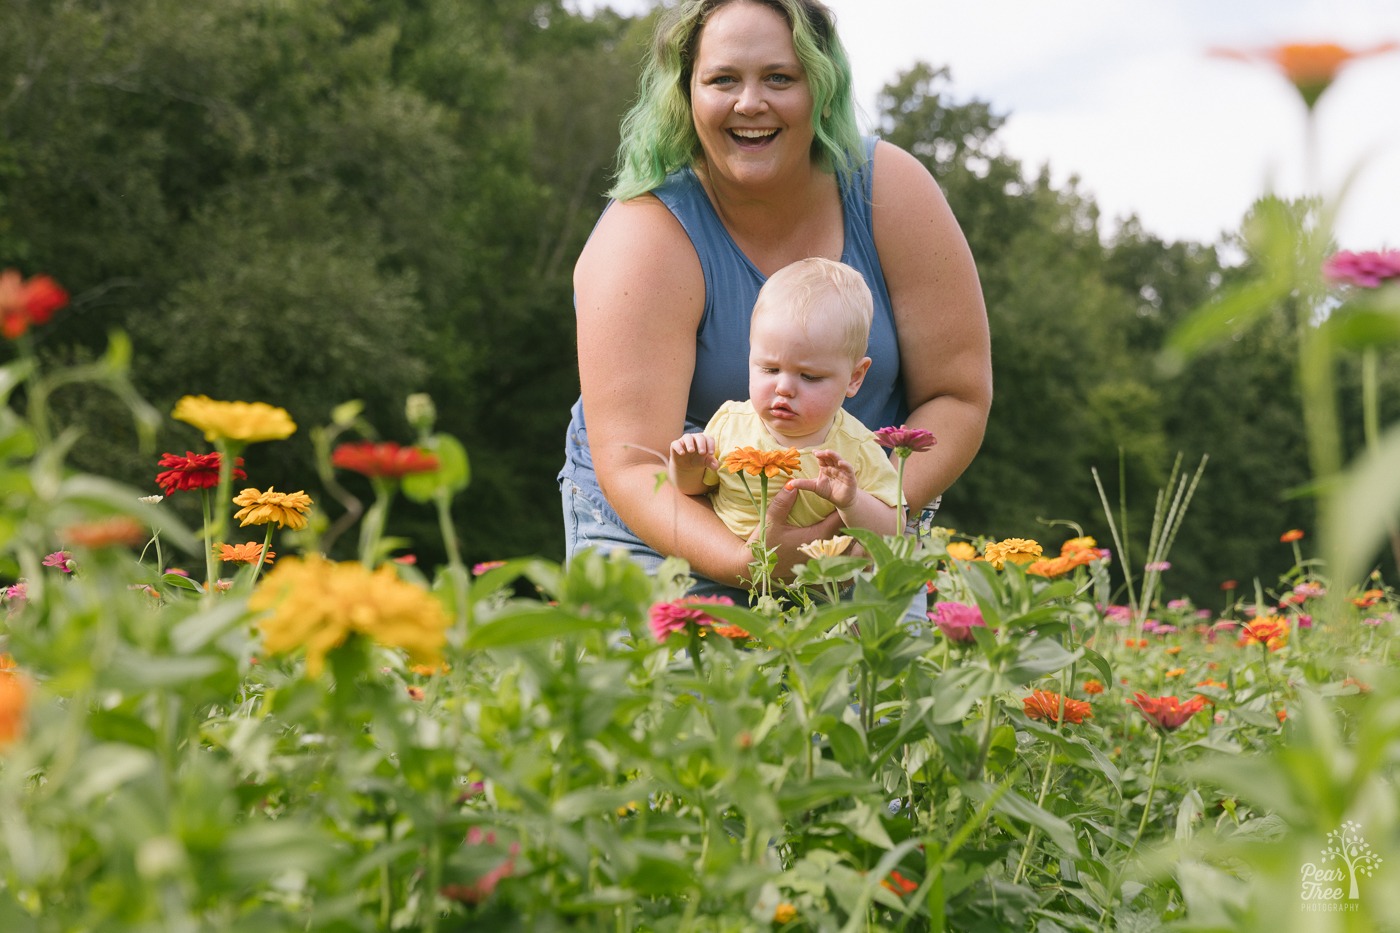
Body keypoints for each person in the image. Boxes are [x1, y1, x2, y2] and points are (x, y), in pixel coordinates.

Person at [560, 0, 992, 597]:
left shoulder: (891, 193)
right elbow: (636, 465)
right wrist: (759, 565)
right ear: (686, 92)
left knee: (875, 690)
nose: (749, 103)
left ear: (821, 85)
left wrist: (862, 518)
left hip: (856, 518)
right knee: (681, 686)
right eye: (722, 80)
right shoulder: (642, 235)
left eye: (779, 78)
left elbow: (958, 395)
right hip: (665, 516)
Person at [668, 257, 901, 540]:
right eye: (770, 369)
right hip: (724, 570)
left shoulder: (857, 449)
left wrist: (851, 502)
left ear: (854, 377)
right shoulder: (731, 423)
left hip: (820, 580)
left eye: (809, 377)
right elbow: (696, 490)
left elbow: (893, 529)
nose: (784, 388)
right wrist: (688, 467)